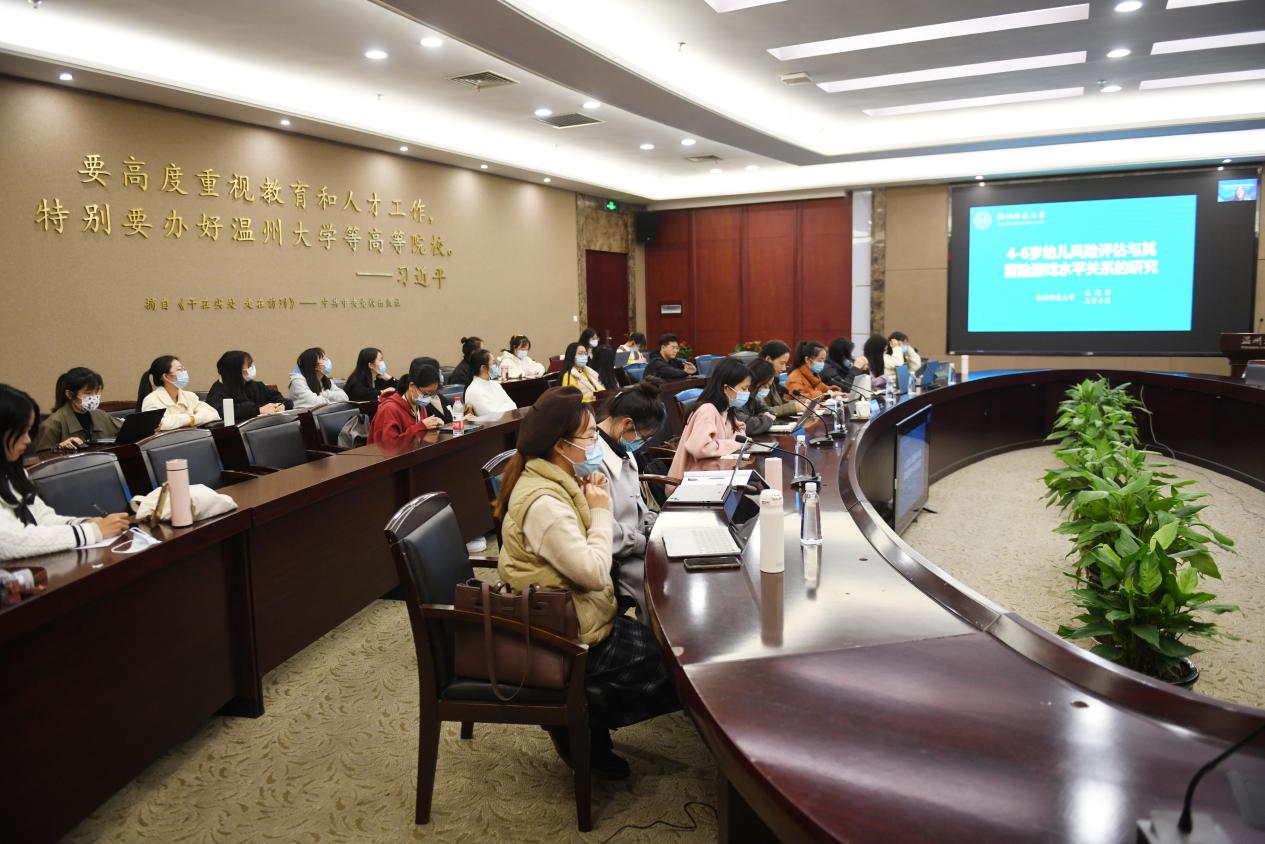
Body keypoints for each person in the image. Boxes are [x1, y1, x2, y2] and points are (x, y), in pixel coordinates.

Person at [495, 387, 679, 778]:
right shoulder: (544, 502)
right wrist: (600, 510)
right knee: (670, 670)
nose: (597, 443)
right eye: (591, 436)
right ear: (561, 446)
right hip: (559, 630)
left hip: (580, 610)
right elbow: (594, 573)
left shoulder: (560, 478)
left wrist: (591, 498)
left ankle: (590, 724)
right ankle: (577, 722)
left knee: (667, 649)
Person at [1, 384, 131, 560]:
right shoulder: (56, 421)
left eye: (28, 431)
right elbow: (9, 542)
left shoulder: (13, 472)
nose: (28, 440)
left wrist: (82, 523)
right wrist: (92, 531)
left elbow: (42, 517)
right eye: (21, 432)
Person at [595, 379, 664, 566]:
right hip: (619, 558)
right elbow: (607, 530)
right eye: (643, 437)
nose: (642, 443)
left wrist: (661, 526)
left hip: (638, 543)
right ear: (627, 424)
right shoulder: (593, 460)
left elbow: (638, 508)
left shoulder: (622, 447)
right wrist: (646, 541)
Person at [667, 357, 749, 483]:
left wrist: (735, 440)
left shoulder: (726, 409)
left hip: (712, 475)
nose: (747, 393)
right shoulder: (707, 410)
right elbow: (700, 448)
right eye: (744, 388)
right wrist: (735, 443)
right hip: (690, 483)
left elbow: (739, 431)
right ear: (726, 388)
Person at [36, 367, 123, 451]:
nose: (93, 397)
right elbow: (42, 456)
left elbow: (126, 430)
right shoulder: (52, 425)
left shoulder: (101, 415)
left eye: (96, 392)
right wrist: (58, 448)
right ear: (69, 394)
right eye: (88, 393)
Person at [368, 361, 446, 445]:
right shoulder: (389, 409)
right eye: (426, 393)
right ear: (412, 386)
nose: (428, 398)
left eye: (432, 394)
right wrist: (421, 426)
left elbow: (421, 437)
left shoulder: (420, 405)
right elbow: (390, 445)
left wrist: (433, 425)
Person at [138, 355, 220, 430]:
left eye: (184, 369)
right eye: (179, 370)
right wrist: (193, 418)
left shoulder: (189, 396)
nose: (184, 373)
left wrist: (192, 419)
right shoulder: (151, 400)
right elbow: (160, 424)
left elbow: (213, 414)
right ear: (166, 376)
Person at [207, 351, 289, 422]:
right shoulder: (217, 393)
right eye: (249, 366)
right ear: (235, 371)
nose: (252, 368)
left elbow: (279, 398)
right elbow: (224, 413)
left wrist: (282, 405)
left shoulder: (256, 385)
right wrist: (258, 410)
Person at [462, 349, 517, 417]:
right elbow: (493, 416)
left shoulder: (495, 384)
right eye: (493, 363)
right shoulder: (474, 390)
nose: (496, 366)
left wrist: (501, 409)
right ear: (483, 368)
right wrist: (505, 406)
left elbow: (513, 405)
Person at [733, 358, 779, 436]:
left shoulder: (753, 398)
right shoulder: (735, 400)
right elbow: (748, 426)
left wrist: (760, 419)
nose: (767, 390)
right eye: (765, 386)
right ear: (754, 381)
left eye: (769, 387)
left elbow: (770, 412)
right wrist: (766, 418)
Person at [758, 340, 801, 418]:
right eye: (782, 363)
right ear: (768, 359)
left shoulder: (773, 379)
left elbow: (780, 403)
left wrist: (801, 404)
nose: (784, 368)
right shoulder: (756, 380)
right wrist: (794, 407)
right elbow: (763, 411)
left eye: (785, 364)